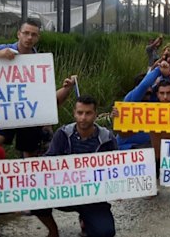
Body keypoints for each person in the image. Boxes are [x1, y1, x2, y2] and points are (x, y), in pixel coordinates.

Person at [0, 19, 76, 158]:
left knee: (30, 150)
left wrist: (67, 88)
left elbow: (49, 100)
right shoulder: (4, 50)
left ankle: (27, 175)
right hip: (3, 111)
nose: (29, 37)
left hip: (28, 115)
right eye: (26, 33)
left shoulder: (39, 63)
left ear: (38, 37)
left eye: (33, 34)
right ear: (18, 34)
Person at [34, 95, 118, 237]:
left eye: (88, 113)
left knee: (105, 233)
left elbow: (119, 167)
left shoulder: (107, 137)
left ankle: (87, 219)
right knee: (34, 198)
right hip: (65, 193)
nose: (83, 117)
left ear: (95, 114)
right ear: (74, 113)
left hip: (93, 196)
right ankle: (53, 231)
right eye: (80, 113)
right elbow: (49, 160)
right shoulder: (63, 134)